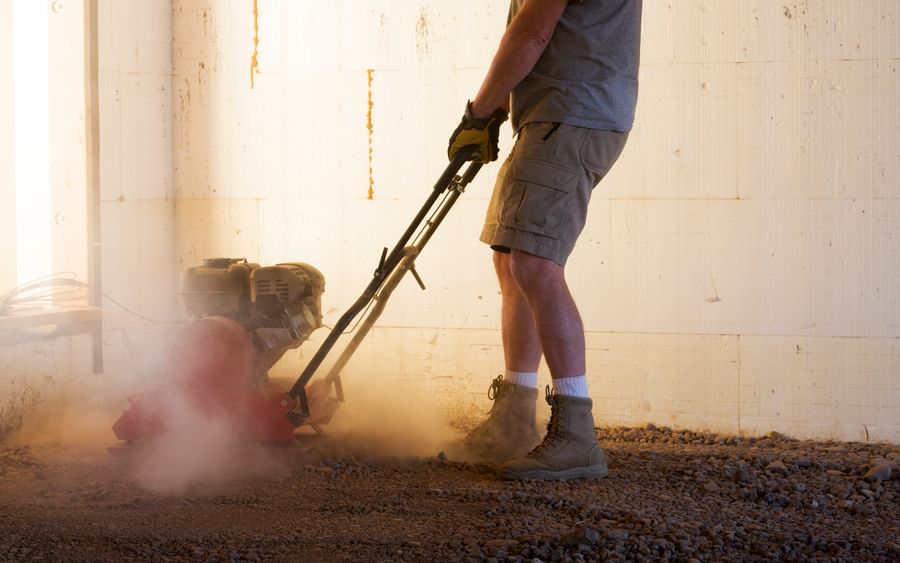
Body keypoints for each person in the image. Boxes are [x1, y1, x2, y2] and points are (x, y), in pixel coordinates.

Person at [447, 0, 642, 480]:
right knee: (512, 258)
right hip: (555, 115)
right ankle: (514, 416)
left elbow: (531, 33)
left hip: (569, 115)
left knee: (534, 262)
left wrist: (480, 112)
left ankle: (576, 434)